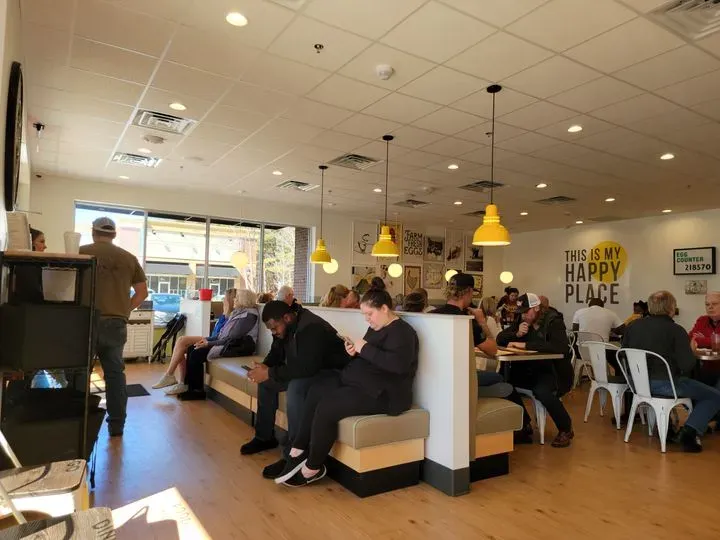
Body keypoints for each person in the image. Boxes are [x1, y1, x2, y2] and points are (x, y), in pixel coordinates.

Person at [274, 288, 418, 487]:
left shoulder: (403, 333)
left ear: (385, 308)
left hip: (384, 394)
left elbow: (397, 366)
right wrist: (354, 352)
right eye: (365, 315)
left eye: (370, 314)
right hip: (363, 382)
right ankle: (299, 448)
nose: (367, 319)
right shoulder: (377, 327)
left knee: (327, 406)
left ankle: (313, 467)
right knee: (316, 389)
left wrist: (364, 348)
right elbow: (371, 357)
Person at [239, 301, 349, 480]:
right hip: (309, 372)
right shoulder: (286, 327)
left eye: (274, 328)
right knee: (267, 383)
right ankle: (264, 437)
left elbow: (307, 368)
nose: (274, 332)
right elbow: (276, 352)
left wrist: (270, 373)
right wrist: (265, 367)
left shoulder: (312, 327)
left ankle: (293, 454)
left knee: (296, 388)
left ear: (287, 318)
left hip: (332, 374)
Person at [622, 291, 720, 452]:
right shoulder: (676, 330)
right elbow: (687, 365)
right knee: (715, 396)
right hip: (665, 385)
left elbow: (624, 354)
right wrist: (690, 352)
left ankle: (674, 426)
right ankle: (689, 432)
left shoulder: (632, 326)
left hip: (637, 385)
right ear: (671, 308)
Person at [80, 217, 148, 437]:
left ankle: (79, 424)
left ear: (93, 232)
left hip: (85, 321)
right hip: (116, 323)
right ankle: (116, 426)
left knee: (79, 373)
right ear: (114, 235)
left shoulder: (80, 252)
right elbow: (142, 292)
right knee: (115, 375)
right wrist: (124, 309)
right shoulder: (128, 258)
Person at [497, 293, 575, 448]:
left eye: (527, 312)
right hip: (530, 369)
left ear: (537, 308)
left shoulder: (553, 321)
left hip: (553, 371)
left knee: (542, 391)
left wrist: (525, 344)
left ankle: (565, 428)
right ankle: (524, 424)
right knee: (503, 382)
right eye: (522, 312)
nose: (524, 315)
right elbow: (500, 339)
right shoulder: (522, 320)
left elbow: (560, 347)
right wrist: (516, 334)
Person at [433, 274, 514, 399]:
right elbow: (492, 350)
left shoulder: (432, 315)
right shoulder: (466, 321)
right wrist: (482, 322)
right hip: (460, 376)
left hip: (435, 375)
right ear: (469, 291)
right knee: (499, 378)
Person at [178, 289, 260, 399]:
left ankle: (197, 391)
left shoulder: (248, 316)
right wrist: (206, 340)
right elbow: (222, 334)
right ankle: (189, 387)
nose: (234, 300)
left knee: (196, 353)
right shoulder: (238, 313)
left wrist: (209, 344)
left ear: (243, 300)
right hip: (228, 344)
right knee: (192, 348)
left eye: (237, 298)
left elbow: (231, 338)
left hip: (237, 347)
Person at [152, 289, 238, 391]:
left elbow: (221, 335)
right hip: (213, 337)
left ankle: (171, 377)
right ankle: (179, 381)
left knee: (182, 341)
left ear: (230, 301)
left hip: (215, 340)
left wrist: (208, 341)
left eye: (225, 299)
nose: (223, 300)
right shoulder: (225, 314)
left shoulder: (233, 316)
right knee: (181, 344)